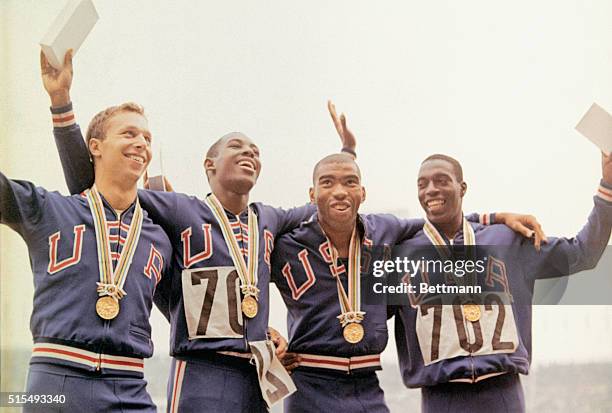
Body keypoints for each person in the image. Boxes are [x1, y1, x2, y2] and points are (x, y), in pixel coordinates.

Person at [44, 52, 358, 412]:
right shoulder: (181, 210)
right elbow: (95, 187)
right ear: (209, 165)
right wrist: (61, 108)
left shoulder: (269, 218)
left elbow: (330, 201)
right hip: (201, 371)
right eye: (237, 147)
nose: (249, 154)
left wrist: (346, 152)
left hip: (255, 375)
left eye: (256, 152)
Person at [271, 105, 544, 412]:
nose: (339, 192)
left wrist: (495, 216)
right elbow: (243, 274)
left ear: (363, 193)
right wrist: (265, 334)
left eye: (350, 183)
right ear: (311, 194)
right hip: (310, 382)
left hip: (366, 384)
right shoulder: (286, 243)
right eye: (327, 183)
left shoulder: (384, 229)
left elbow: (441, 222)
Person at [0, 51, 175, 412]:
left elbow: (188, 310)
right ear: (94, 146)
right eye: (129, 133)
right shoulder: (50, 209)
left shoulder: (160, 236)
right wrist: (59, 102)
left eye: (147, 137)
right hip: (55, 378)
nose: (142, 143)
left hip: (130, 384)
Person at [392, 153, 612, 412]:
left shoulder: (506, 239)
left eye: (441, 180)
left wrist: (607, 187)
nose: (431, 190)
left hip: (503, 392)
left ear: (462, 188)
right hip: (441, 397)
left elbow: (582, 254)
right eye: (422, 184)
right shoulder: (401, 254)